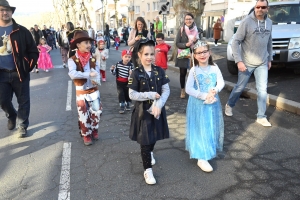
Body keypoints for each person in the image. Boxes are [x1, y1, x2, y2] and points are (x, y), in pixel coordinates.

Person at [128, 38, 170, 185]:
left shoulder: (159, 71)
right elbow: (131, 94)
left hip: (157, 111)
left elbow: (166, 90)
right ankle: (148, 170)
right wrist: (149, 95)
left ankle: (150, 152)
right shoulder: (135, 73)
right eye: (146, 54)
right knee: (145, 140)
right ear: (139, 55)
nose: (149, 57)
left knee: (154, 137)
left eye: (152, 54)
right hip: (143, 113)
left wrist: (159, 103)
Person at [224, 0, 273, 127]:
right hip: (246, 62)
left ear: (267, 8)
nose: (260, 9)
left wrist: (269, 59)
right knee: (240, 87)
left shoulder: (269, 22)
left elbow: (269, 42)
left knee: (262, 90)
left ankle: (261, 116)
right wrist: (239, 61)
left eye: (263, 7)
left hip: (262, 62)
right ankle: (229, 104)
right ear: (255, 7)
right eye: (258, 7)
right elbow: (235, 42)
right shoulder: (246, 22)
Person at [0, 0, 39, 137]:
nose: (5, 12)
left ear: (11, 12)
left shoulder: (21, 31)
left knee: (23, 100)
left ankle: (22, 125)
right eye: (1, 10)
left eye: (7, 10)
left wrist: (27, 66)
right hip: (1, 74)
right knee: (2, 100)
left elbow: (33, 51)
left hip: (19, 72)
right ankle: (11, 115)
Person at [185, 40, 225, 172]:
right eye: (199, 53)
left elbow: (221, 82)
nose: (202, 55)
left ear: (210, 52)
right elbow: (188, 89)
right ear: (195, 56)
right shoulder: (194, 71)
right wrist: (203, 95)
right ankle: (201, 157)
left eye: (205, 51)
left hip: (212, 102)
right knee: (199, 127)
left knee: (210, 126)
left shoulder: (215, 67)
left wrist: (215, 89)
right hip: (198, 104)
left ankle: (207, 149)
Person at [68, 30, 102, 146]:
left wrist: (96, 74)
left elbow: (97, 71)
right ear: (78, 45)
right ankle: (86, 134)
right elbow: (72, 74)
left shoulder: (93, 57)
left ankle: (94, 129)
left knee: (96, 111)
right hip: (81, 90)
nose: (89, 45)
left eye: (90, 43)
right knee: (83, 113)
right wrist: (87, 74)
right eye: (86, 43)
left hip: (93, 89)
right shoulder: (72, 59)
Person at [175, 13, 199, 99]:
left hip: (194, 54)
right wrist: (186, 44)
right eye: (186, 19)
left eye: (190, 19)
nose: (188, 21)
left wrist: (196, 41)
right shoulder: (181, 30)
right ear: (184, 20)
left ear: (193, 19)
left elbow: (200, 44)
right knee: (183, 73)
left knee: (193, 73)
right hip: (184, 54)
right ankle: (182, 89)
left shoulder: (197, 30)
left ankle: (192, 90)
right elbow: (177, 43)